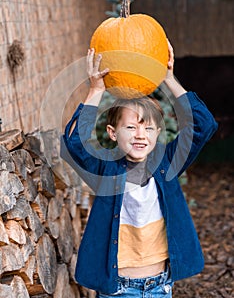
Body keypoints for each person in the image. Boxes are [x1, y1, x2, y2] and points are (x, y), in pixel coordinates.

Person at [61, 41, 218, 297]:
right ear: (112, 133)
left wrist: (168, 78)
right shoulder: (105, 170)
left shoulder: (168, 162)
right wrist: (96, 89)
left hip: (160, 286)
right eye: (131, 127)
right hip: (119, 289)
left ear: (158, 133)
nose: (140, 135)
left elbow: (203, 124)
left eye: (147, 128)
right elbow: (73, 143)